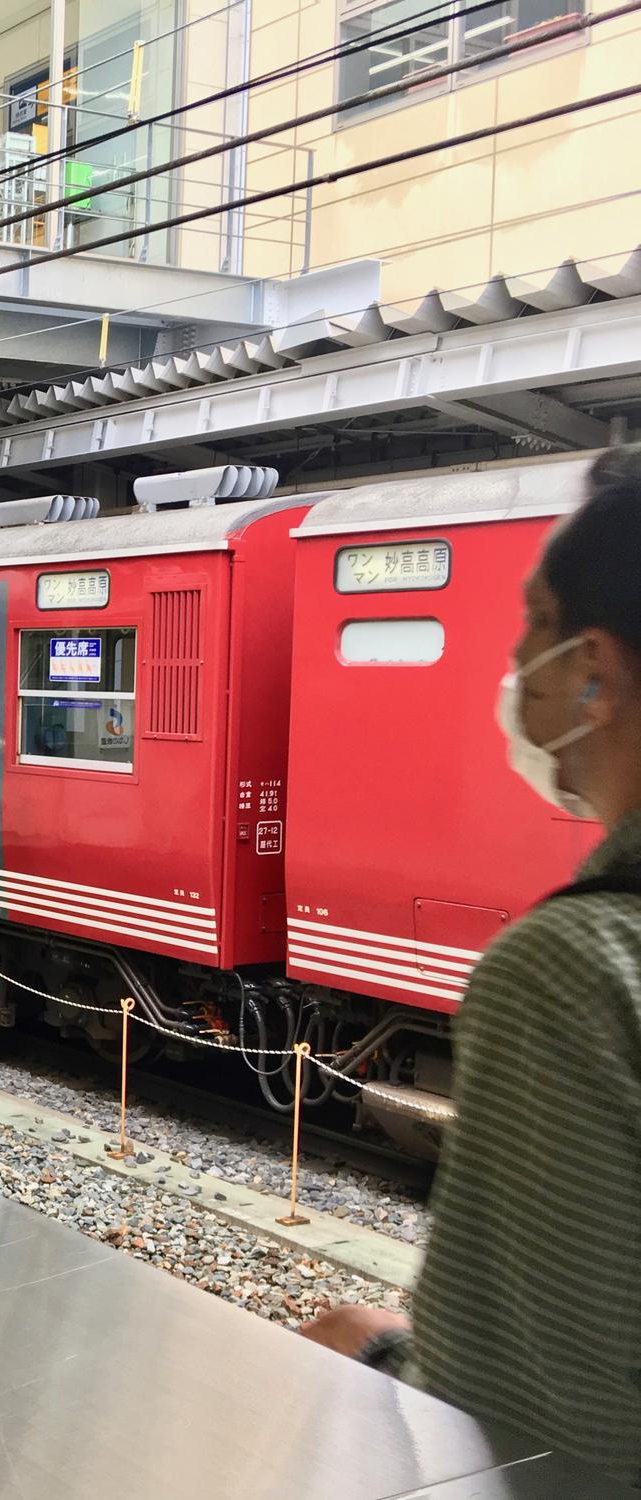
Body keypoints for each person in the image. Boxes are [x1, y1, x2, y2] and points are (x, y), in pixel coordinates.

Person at [303, 446, 641, 1487]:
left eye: (529, 624)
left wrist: (377, 1353)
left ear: (590, 669)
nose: (511, 662)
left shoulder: (568, 968)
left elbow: (553, 1428)